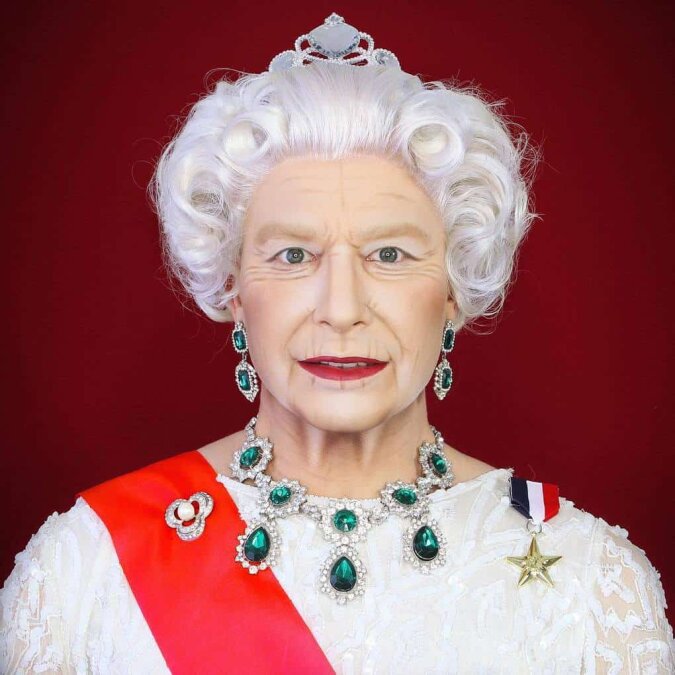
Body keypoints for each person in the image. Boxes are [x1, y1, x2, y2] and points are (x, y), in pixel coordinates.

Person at [1, 12, 673, 674]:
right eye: (293, 255)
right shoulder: (83, 574)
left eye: (389, 254)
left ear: (453, 289)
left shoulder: (590, 583)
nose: (342, 309)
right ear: (233, 286)